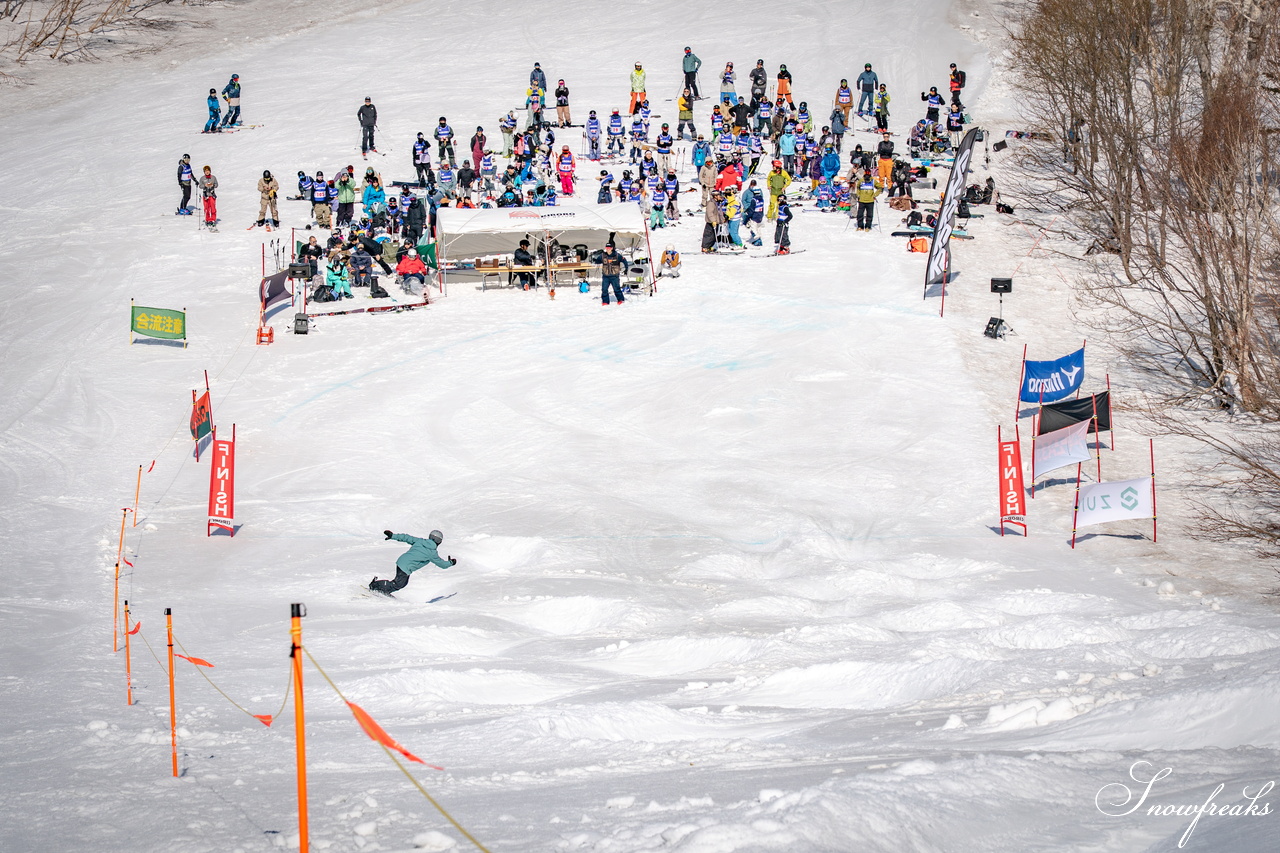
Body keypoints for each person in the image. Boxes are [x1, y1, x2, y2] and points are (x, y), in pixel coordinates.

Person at [369, 529, 455, 596]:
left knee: (401, 583)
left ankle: (383, 590)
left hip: (402, 561)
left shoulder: (420, 541)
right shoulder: (432, 553)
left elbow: (407, 537)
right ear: (439, 541)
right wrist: (450, 563)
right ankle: (376, 586)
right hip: (406, 566)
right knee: (399, 584)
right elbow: (442, 564)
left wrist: (393, 536)